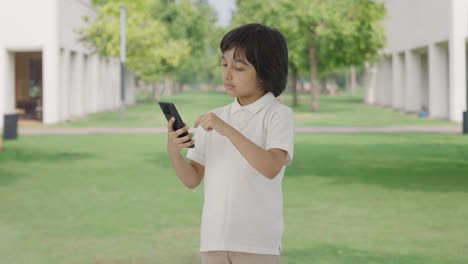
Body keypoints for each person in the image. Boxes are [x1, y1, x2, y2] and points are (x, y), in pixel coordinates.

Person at [166, 23, 294, 264]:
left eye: (238, 67)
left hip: (257, 244)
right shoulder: (215, 117)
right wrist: (174, 151)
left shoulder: (278, 115)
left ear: (266, 72)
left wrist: (227, 129)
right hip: (213, 241)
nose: (227, 74)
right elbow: (192, 179)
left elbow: (271, 167)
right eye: (224, 64)